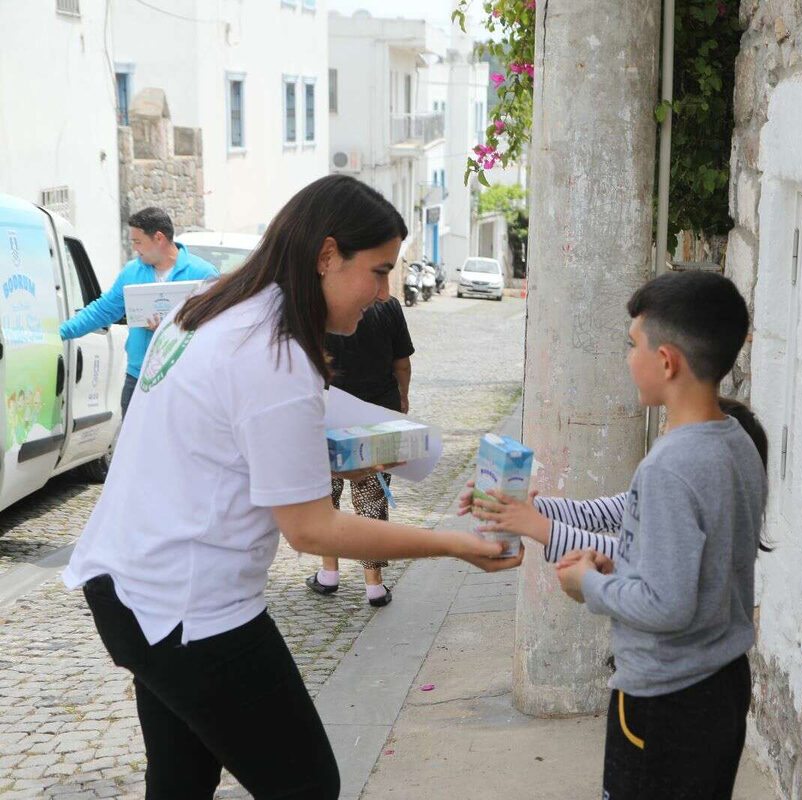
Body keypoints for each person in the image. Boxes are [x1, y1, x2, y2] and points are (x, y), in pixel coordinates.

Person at [61, 175, 520, 800]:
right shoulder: (272, 350)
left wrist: (412, 448)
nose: (385, 294)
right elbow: (310, 528)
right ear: (327, 255)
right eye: (379, 272)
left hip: (128, 586)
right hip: (189, 608)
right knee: (305, 785)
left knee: (180, 779)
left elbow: (283, 416)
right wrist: (454, 544)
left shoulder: (218, 303)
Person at [464, 271, 768, 800]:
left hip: (666, 698)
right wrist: (540, 512)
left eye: (633, 346)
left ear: (667, 361)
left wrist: (589, 585)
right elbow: (643, 527)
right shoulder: (734, 440)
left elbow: (665, 603)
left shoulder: (674, 464)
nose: (628, 359)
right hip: (719, 682)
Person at [59, 207, 219, 416]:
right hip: (138, 379)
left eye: (137, 241)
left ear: (159, 238)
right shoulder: (132, 272)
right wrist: (61, 332)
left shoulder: (203, 274)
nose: (135, 248)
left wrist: (172, 328)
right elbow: (103, 310)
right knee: (134, 448)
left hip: (185, 380)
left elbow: (217, 327)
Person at [307, 296, 415, 606]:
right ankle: (375, 587)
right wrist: (402, 398)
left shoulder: (318, 305)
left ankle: (328, 575)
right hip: (378, 411)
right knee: (372, 498)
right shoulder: (389, 305)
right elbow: (402, 363)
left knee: (325, 495)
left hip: (328, 412)